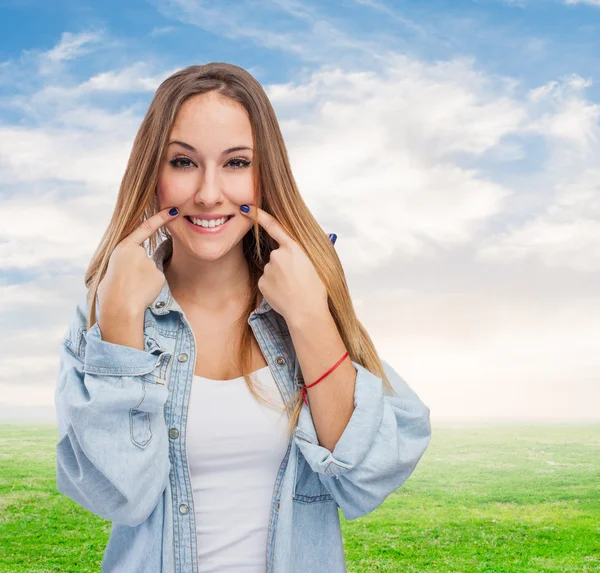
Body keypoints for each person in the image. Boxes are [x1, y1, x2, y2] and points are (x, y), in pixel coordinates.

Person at [54, 62, 432, 573]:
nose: (209, 193)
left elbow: (369, 477)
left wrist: (309, 317)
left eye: (236, 163)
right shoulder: (107, 310)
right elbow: (119, 497)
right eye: (183, 163)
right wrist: (121, 323)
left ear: (265, 174)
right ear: (153, 175)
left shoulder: (303, 298)